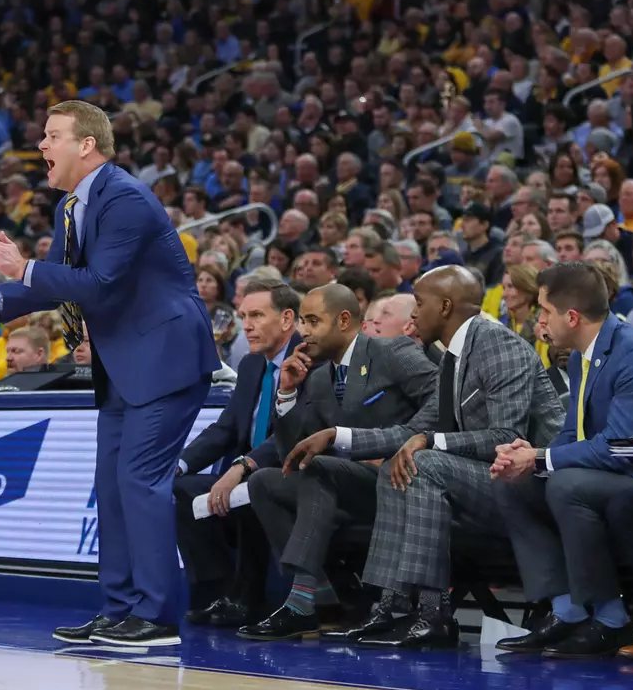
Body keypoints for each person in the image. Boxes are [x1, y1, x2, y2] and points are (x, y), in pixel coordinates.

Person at [0, 99, 219, 648]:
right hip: (122, 362)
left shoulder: (125, 197)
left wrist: (21, 269)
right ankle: (119, 609)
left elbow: (101, 283)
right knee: (110, 488)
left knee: (139, 482)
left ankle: (156, 616)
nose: (41, 146)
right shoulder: (71, 207)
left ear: (86, 145)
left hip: (165, 357)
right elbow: (58, 281)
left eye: (51, 135)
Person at [284, 266, 564, 648]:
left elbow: (508, 437)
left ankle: (433, 614)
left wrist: (430, 441)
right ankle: (388, 607)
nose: (412, 314)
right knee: (398, 463)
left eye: (419, 303)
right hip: (487, 480)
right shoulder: (453, 357)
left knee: (423, 462)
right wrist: (338, 437)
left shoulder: (497, 343)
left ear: (445, 306)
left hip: (531, 486)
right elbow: (412, 431)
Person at [490, 262, 633, 659]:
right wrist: (527, 457)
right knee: (512, 483)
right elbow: (575, 434)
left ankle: (609, 619)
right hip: (608, 471)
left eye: (545, 311)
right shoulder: (583, 354)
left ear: (571, 317)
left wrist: (541, 457)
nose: (540, 319)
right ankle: (565, 610)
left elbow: (622, 447)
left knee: (566, 484)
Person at [238, 283, 437, 640]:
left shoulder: (393, 351)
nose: (304, 331)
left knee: (320, 470)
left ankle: (301, 604)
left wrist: (405, 442)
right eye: (302, 321)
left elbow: (443, 399)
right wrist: (286, 395)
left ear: (344, 320)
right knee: (264, 482)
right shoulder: (316, 379)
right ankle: (324, 594)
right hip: (341, 485)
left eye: (314, 320)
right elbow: (290, 457)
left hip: (400, 482)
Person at [175, 276, 301, 628]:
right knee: (181, 489)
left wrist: (243, 466)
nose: (247, 326)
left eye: (257, 315)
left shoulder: (309, 360)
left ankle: (248, 598)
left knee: (253, 487)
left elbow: (296, 434)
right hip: (245, 471)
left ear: (287, 319)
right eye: (244, 316)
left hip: (288, 469)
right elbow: (226, 428)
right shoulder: (251, 364)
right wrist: (180, 464)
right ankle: (216, 593)